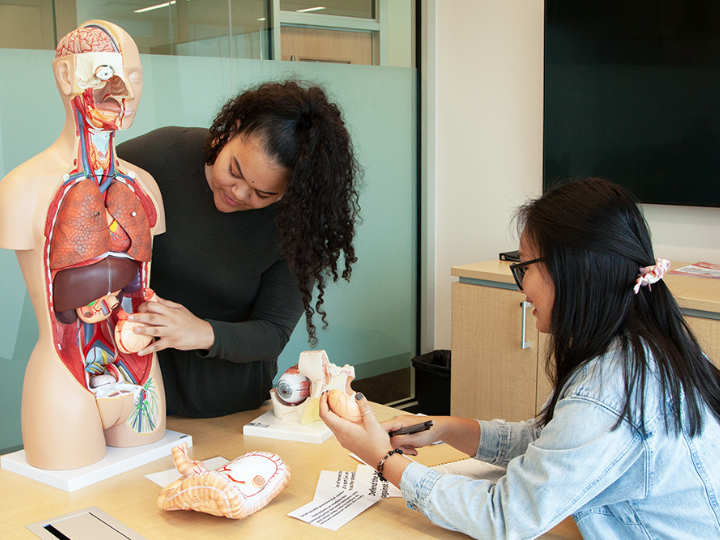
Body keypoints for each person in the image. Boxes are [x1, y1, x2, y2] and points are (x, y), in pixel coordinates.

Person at [320, 178, 720, 539]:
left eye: (525, 266)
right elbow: (556, 443)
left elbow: (505, 517)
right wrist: (447, 428)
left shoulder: (612, 386)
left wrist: (382, 458)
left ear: (574, 272)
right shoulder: (641, 346)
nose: (522, 285)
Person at [117, 80, 360, 418]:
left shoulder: (295, 225)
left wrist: (200, 331)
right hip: (127, 392)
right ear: (232, 131)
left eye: (264, 194)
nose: (241, 194)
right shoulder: (155, 159)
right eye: (234, 171)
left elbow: (272, 332)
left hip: (228, 408)